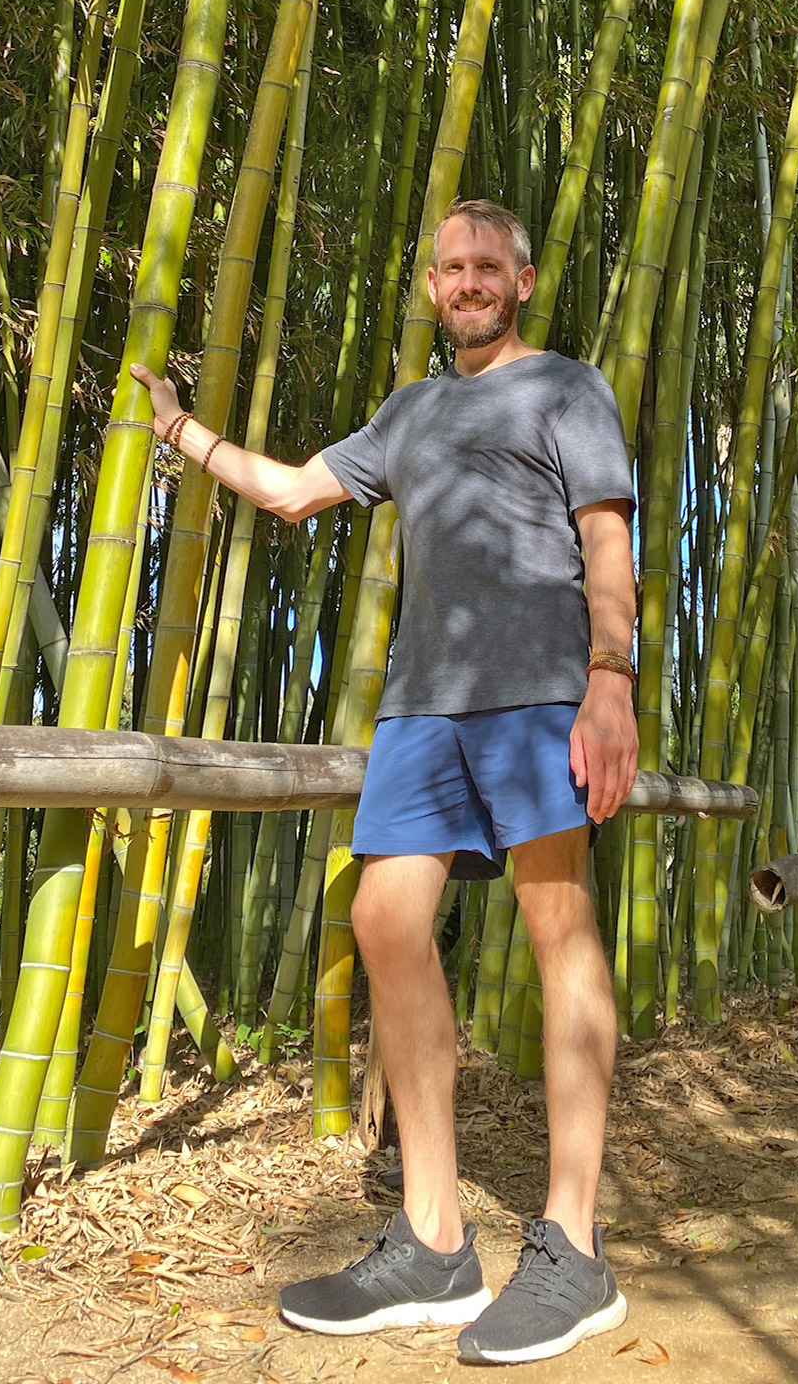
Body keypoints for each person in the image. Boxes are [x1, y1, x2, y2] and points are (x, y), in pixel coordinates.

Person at [131, 198, 637, 1366]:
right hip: (421, 706)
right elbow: (296, 490)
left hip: (537, 695)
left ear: (520, 280)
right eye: (449, 265)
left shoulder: (565, 386)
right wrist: (182, 432)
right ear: (431, 284)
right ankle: (435, 1240)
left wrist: (609, 676)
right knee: (383, 915)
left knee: (558, 925)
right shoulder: (409, 411)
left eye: (486, 266)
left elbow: (605, 535)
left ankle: (571, 1245)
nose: (466, 280)